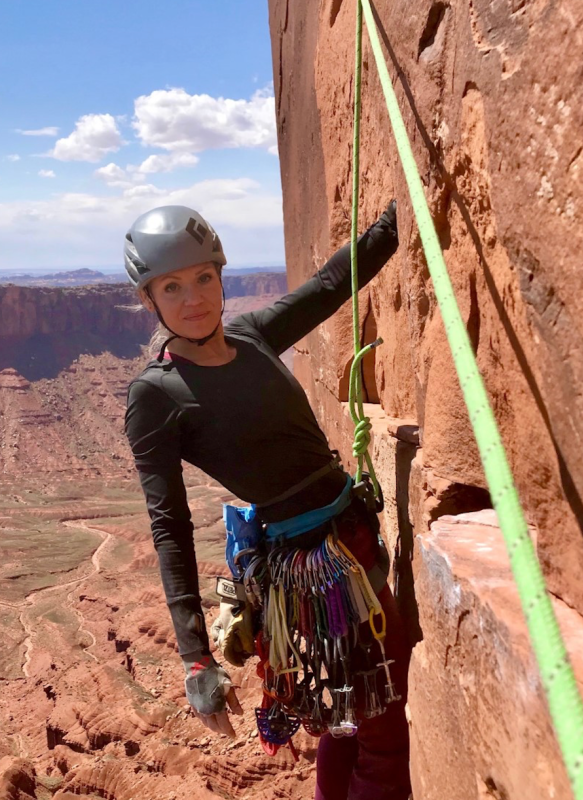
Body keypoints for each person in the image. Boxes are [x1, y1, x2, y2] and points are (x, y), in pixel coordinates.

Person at [123, 203, 411, 800]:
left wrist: (393, 222)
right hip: (314, 573)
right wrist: (195, 660)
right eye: (171, 286)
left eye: (204, 277)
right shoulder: (156, 394)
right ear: (147, 299)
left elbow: (330, 286)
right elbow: (169, 528)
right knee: (382, 721)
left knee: (352, 714)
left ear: (221, 277)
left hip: (348, 536)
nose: (194, 298)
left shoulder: (252, 337)